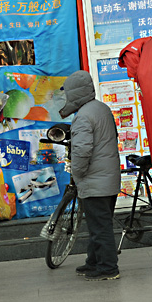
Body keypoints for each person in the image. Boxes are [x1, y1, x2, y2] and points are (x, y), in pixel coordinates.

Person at [59, 70, 121, 281]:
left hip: (96, 181)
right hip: (108, 178)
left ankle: (108, 268)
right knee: (99, 224)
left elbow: (82, 151)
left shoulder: (83, 116)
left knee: (100, 227)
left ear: (75, 94)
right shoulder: (101, 108)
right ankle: (93, 262)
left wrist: (77, 173)